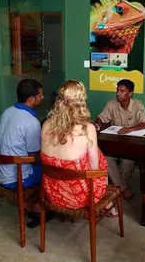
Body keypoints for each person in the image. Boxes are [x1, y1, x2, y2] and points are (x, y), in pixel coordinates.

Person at [41, 80, 112, 212]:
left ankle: (108, 205)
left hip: (53, 194)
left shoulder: (46, 125)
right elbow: (95, 169)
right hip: (82, 198)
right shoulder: (88, 129)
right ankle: (107, 205)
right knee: (98, 155)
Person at [95, 79, 145, 200]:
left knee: (127, 161)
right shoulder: (111, 104)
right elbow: (101, 117)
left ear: (130, 93)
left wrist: (130, 129)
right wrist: (98, 123)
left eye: (122, 91)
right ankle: (123, 188)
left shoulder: (138, 105)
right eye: (117, 90)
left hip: (130, 146)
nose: (118, 93)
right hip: (114, 145)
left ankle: (118, 186)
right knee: (105, 158)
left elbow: (144, 124)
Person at [0, 79, 44, 191]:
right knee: (52, 171)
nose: (43, 97)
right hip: (16, 179)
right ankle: (40, 205)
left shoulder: (7, 111)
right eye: (40, 95)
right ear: (31, 99)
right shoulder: (31, 122)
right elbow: (33, 157)